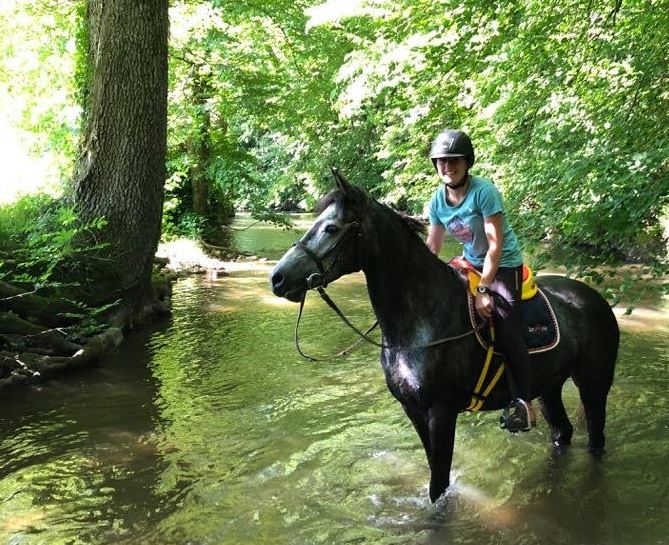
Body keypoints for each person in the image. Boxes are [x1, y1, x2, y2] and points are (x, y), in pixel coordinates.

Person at [425, 129, 534, 432]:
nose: (447, 167)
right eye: (441, 162)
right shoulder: (437, 200)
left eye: (453, 160)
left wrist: (484, 290)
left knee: (505, 325)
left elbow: (495, 246)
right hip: (470, 262)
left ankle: (522, 403)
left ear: (466, 161)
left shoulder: (483, 191)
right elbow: (433, 247)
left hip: (503, 264)